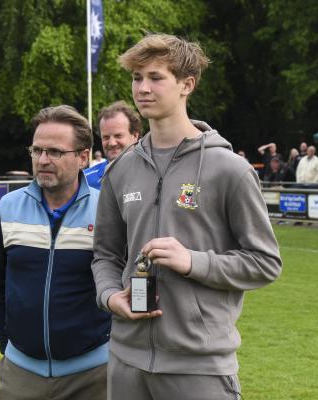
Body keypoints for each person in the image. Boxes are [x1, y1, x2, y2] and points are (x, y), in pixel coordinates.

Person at [91, 33, 282, 400]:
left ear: (186, 84)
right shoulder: (120, 170)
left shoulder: (230, 169)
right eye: (136, 78)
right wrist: (111, 296)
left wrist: (192, 261)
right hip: (126, 361)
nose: (142, 88)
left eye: (155, 77)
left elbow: (265, 262)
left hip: (199, 366)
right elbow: (105, 255)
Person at [0, 105, 110, 400]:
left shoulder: (107, 211)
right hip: (21, 374)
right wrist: (7, 345)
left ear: (83, 157)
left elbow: (129, 283)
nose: (43, 160)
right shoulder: (7, 207)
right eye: (37, 150)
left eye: (54, 152)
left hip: (95, 376)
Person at [84, 100, 142, 189]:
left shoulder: (154, 175)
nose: (111, 143)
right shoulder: (85, 181)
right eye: (106, 137)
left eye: (118, 136)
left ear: (135, 136)